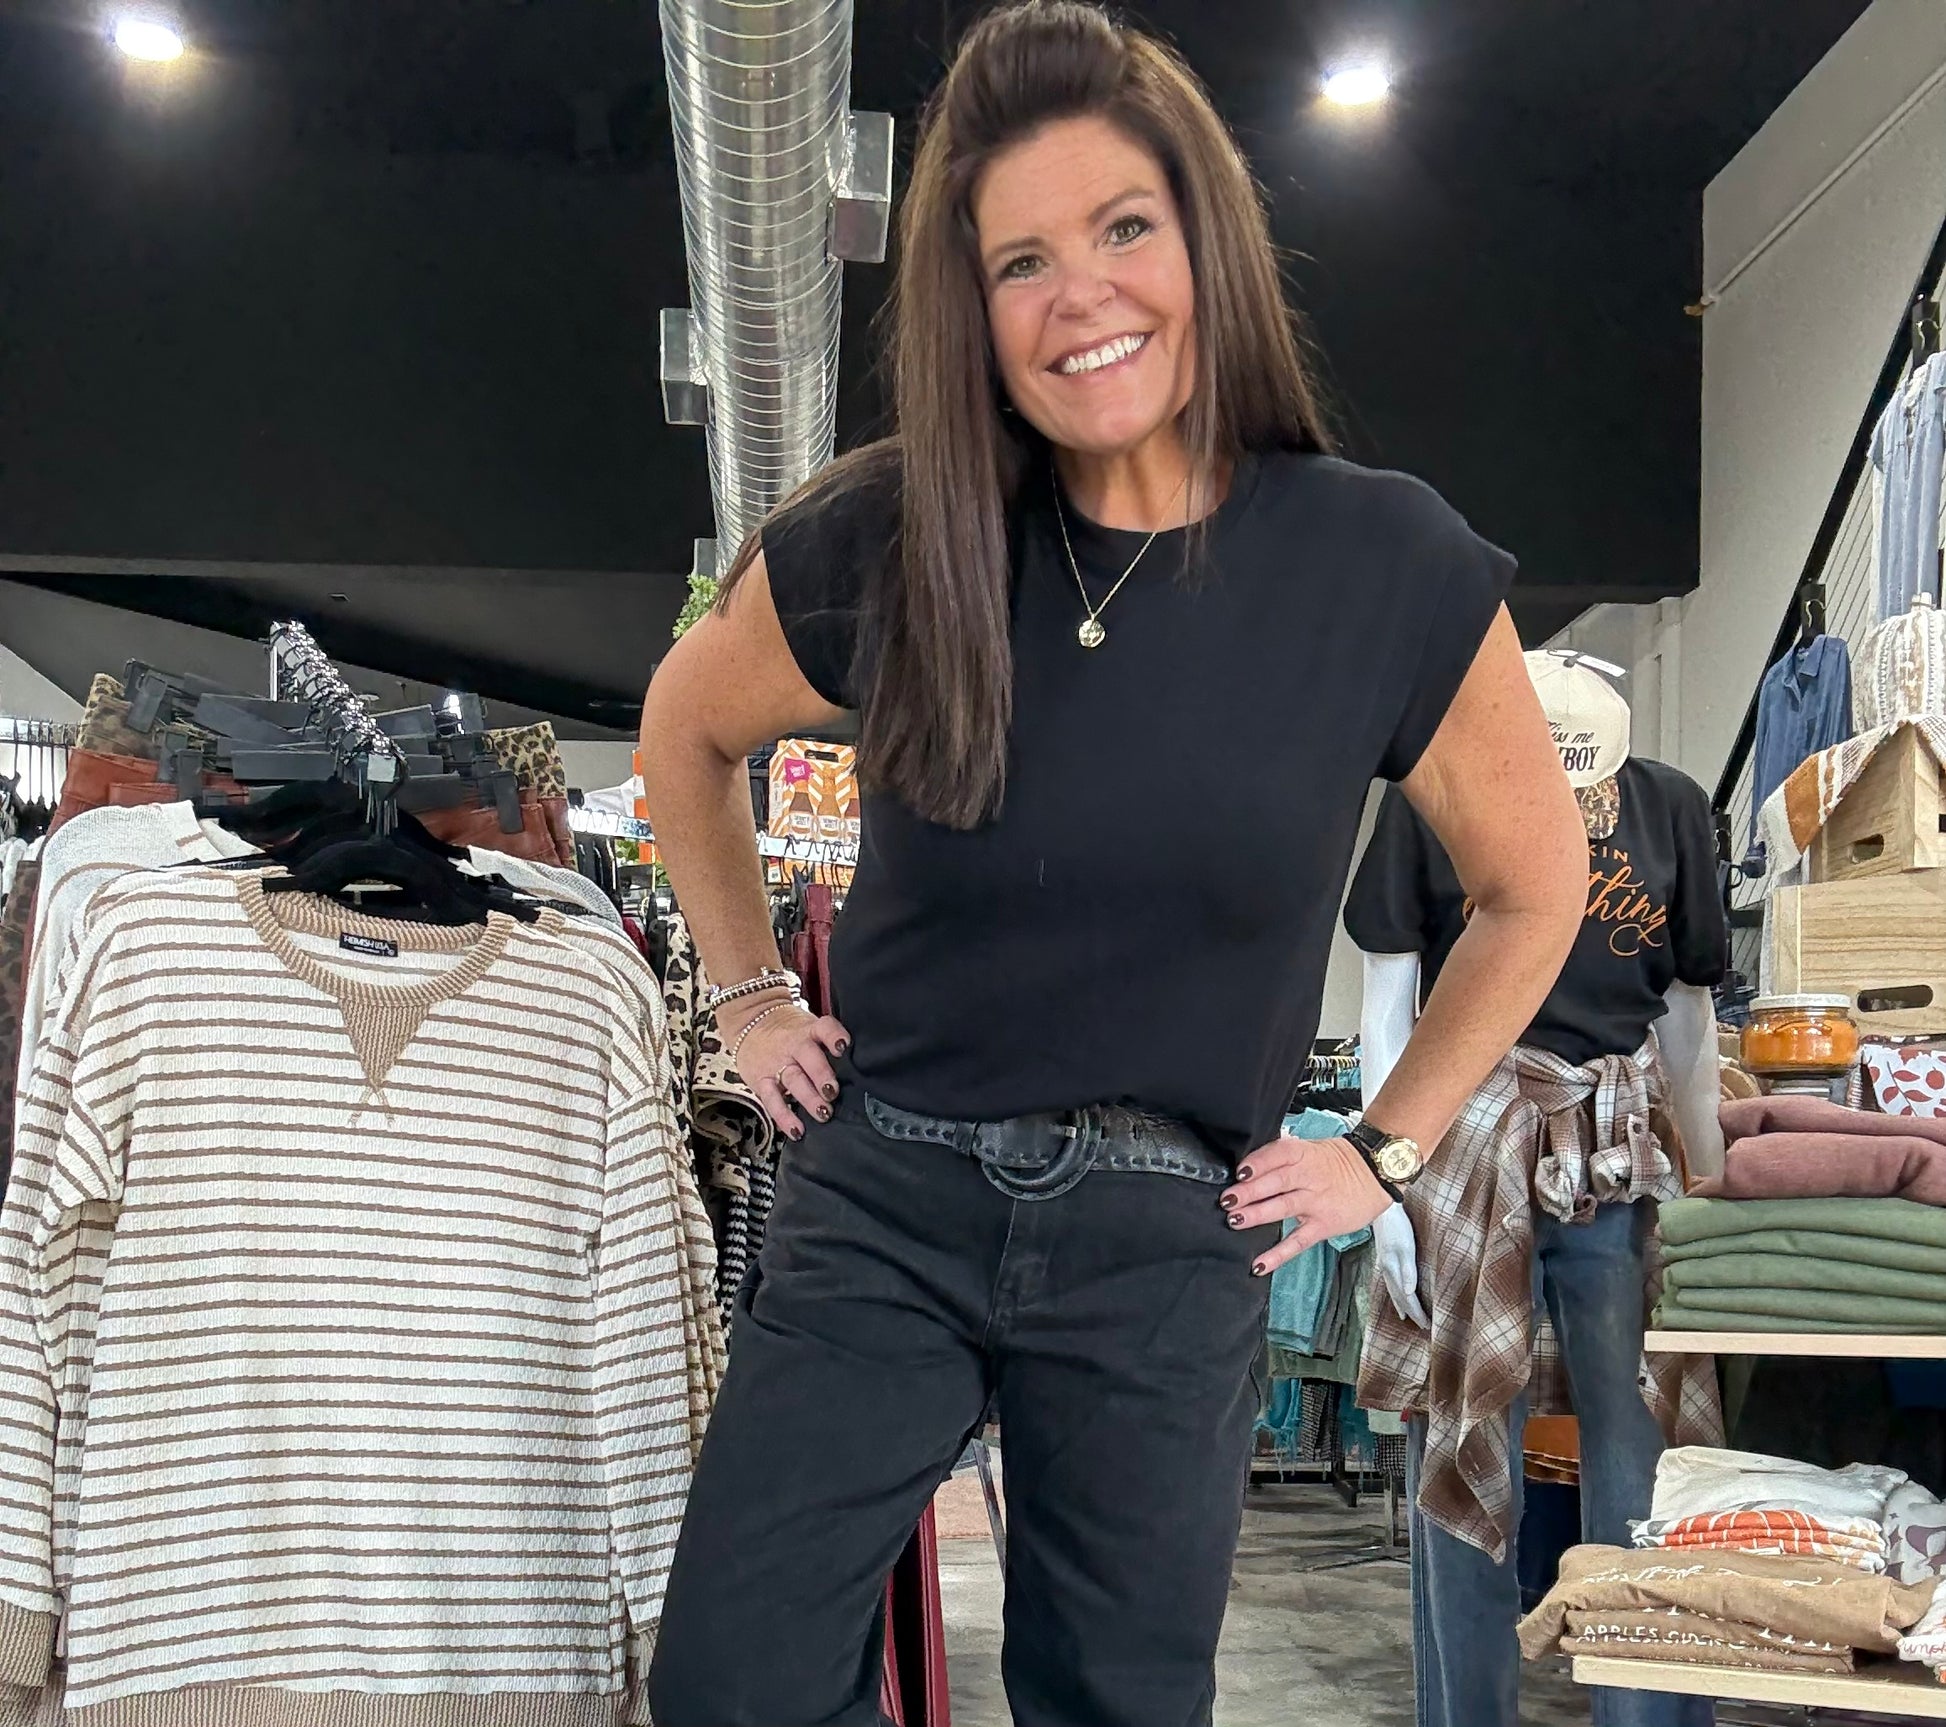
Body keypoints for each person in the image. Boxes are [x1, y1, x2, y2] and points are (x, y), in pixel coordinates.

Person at [638, 4, 1586, 1723]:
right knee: (731, 1678)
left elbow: (1534, 887)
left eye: (1123, 227)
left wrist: (1381, 1153)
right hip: (887, 1198)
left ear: (1205, 241)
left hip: (1165, 1231)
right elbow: (681, 734)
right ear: (970, 308)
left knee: (1118, 1702)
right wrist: (749, 995)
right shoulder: (895, 533)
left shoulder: (1378, 562)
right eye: (1020, 261)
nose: (1079, 295)